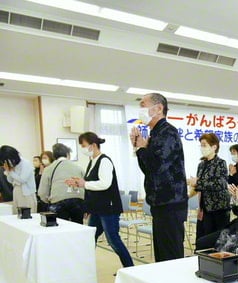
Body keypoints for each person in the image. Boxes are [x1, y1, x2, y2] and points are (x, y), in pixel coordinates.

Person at [130, 92, 188, 262]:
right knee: (162, 255)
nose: (140, 109)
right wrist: (138, 148)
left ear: (158, 108)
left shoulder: (168, 132)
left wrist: (141, 148)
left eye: (143, 105)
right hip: (160, 203)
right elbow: (148, 170)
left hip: (171, 203)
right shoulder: (155, 133)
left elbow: (158, 166)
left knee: (170, 255)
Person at [65, 132, 133, 268]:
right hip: (97, 208)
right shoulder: (92, 162)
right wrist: (79, 184)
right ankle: (84, 266)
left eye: (83, 146)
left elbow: (104, 184)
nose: (82, 149)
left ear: (93, 145)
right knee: (91, 237)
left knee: (113, 239)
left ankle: (130, 268)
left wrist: (84, 184)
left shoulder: (104, 161)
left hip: (108, 208)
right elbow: (90, 184)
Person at [195, 156, 238, 253]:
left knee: (213, 246)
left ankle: (229, 264)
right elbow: (237, 212)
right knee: (202, 242)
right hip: (235, 228)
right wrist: (236, 200)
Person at [187, 133, 231, 242]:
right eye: (201, 145)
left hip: (219, 208)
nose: (202, 148)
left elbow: (219, 184)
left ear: (214, 147)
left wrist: (197, 183)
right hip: (204, 208)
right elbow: (199, 185)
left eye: (204, 145)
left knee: (217, 241)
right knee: (203, 239)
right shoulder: (201, 164)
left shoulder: (220, 163)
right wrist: (188, 192)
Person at [38, 143, 84, 223]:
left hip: (58, 202)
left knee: (61, 228)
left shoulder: (49, 169)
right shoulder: (78, 167)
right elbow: (85, 184)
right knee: (77, 227)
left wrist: (47, 201)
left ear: (54, 156)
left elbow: (42, 192)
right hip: (78, 200)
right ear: (67, 154)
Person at [0, 145, 36, 214]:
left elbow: (22, 180)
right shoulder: (14, 164)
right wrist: (8, 171)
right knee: (17, 214)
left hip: (27, 193)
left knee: (28, 215)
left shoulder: (26, 163)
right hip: (16, 191)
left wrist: (10, 172)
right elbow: (10, 180)